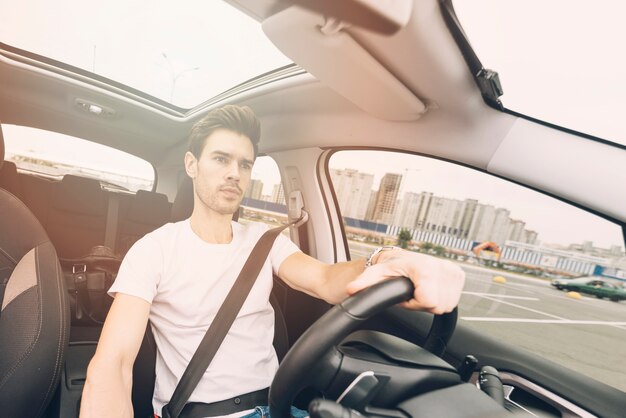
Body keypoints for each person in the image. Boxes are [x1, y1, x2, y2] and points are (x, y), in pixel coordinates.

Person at [79, 105, 465, 418]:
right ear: (192, 165)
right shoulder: (154, 250)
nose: (234, 173)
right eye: (221, 159)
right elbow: (112, 365)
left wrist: (390, 259)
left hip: (282, 407)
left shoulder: (265, 240)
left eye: (245, 164)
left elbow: (326, 279)